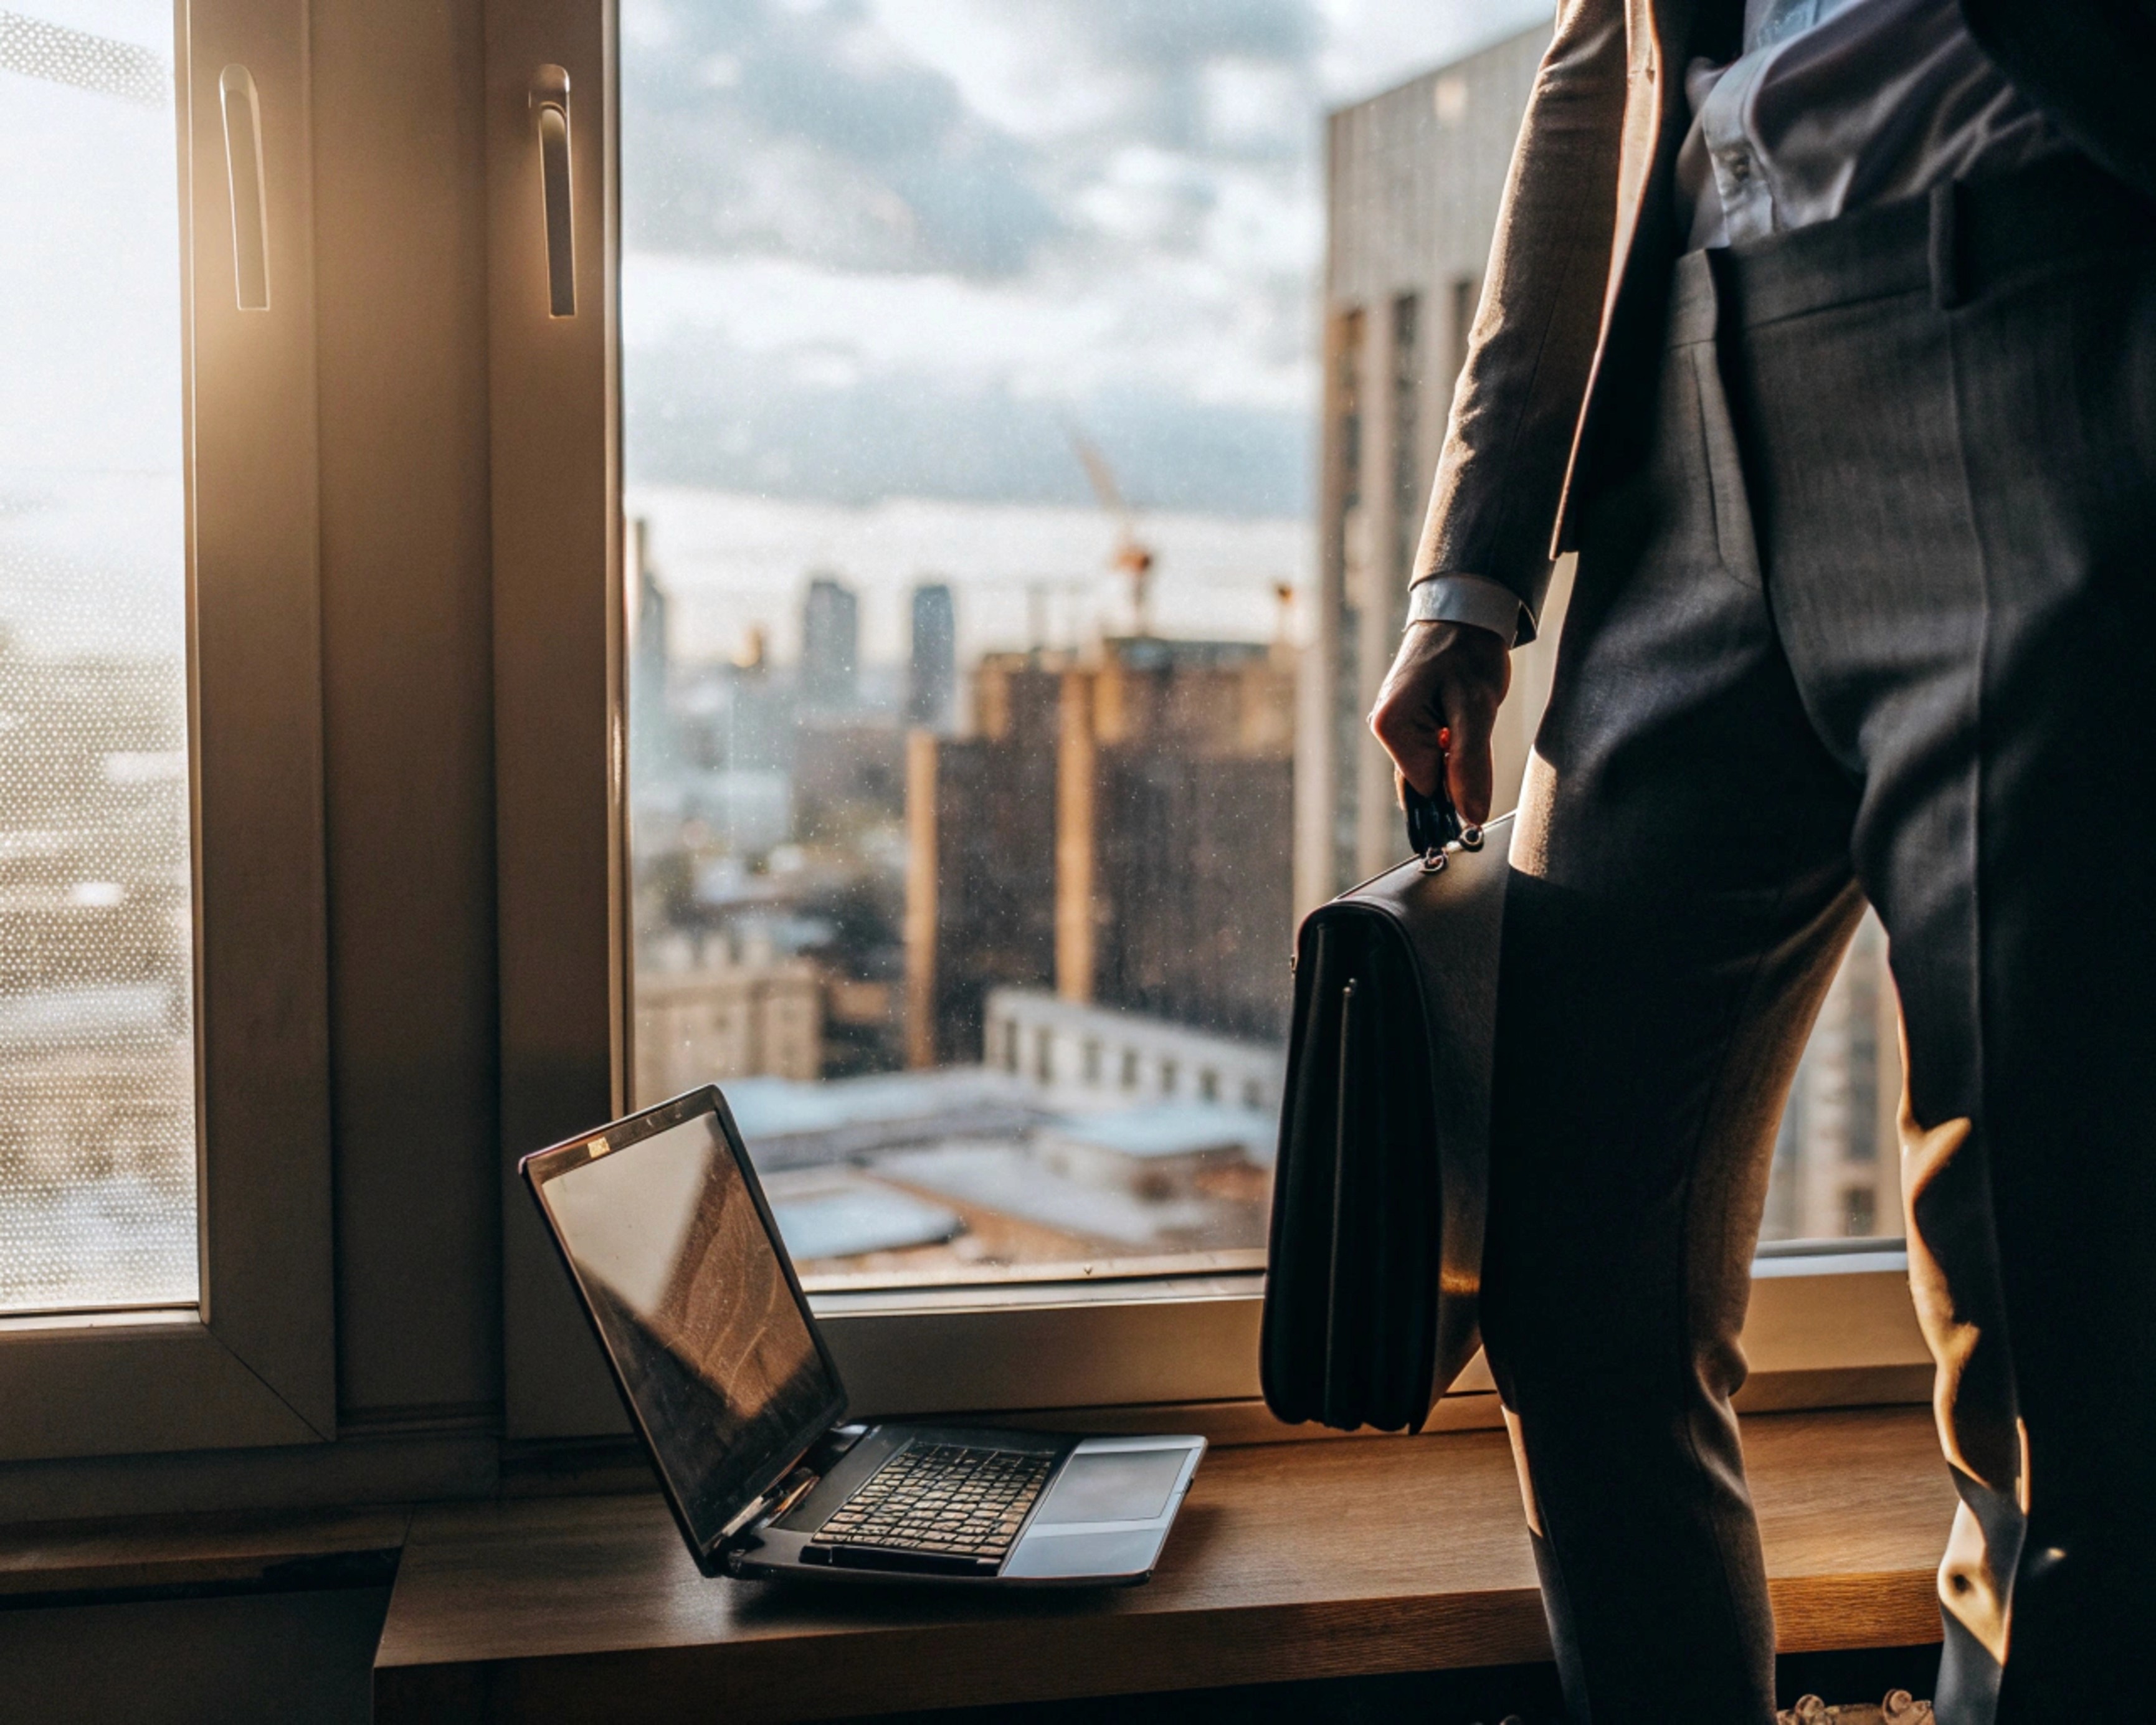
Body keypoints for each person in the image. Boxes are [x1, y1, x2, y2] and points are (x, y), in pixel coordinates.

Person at [1367, 2, 2156, 1721]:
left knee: (2055, 1333)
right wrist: (1470, 573)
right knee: (1572, 1268)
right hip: (1685, 405)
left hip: (2034, 312)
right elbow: (1604, 57)